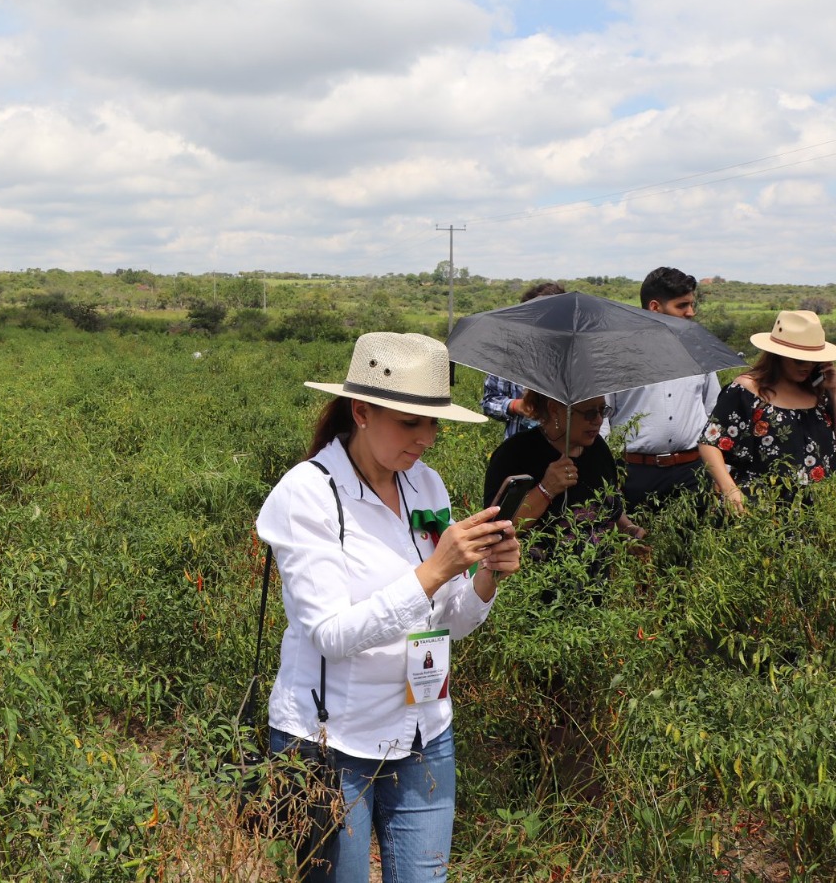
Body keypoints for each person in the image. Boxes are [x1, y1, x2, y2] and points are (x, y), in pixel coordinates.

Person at [260, 331, 519, 882]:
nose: (426, 438)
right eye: (410, 422)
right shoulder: (308, 495)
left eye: (434, 422)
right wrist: (433, 571)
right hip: (331, 741)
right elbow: (330, 633)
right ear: (361, 412)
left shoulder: (425, 486)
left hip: (424, 728)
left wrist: (486, 576)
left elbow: (448, 622)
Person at [700, 310, 836, 513]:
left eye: (813, 361)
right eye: (799, 360)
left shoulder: (817, 392)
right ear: (778, 356)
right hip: (759, 507)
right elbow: (710, 442)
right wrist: (729, 488)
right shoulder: (747, 390)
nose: (807, 367)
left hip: (815, 510)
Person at [484, 391, 642, 572]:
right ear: (555, 409)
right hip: (538, 587)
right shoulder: (515, 454)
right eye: (589, 413)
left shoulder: (598, 448)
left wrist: (629, 529)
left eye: (602, 410)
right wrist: (546, 489)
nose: (598, 420)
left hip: (596, 588)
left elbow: (608, 503)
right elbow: (496, 530)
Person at [604, 268, 721, 510]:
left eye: (691, 304)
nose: (691, 312)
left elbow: (714, 412)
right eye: (682, 306)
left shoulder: (700, 351)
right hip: (634, 474)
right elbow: (602, 418)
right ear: (655, 308)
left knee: (692, 544)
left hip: (693, 472)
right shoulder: (618, 355)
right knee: (636, 544)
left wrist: (720, 473)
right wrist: (605, 475)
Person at [479, 281, 565, 437]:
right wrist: (516, 406)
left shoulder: (573, 358)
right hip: (518, 450)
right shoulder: (508, 356)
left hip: (564, 448)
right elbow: (489, 402)